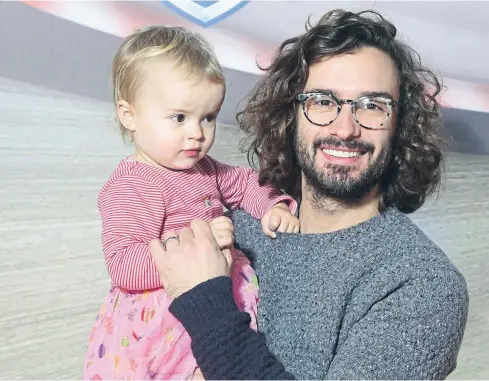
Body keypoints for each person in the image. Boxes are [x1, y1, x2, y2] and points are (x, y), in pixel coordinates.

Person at [148, 9, 470, 380]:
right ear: (292, 114)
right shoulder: (235, 224)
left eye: (373, 106)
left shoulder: (424, 285)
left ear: (400, 126)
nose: (345, 128)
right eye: (322, 101)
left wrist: (206, 301)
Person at [82, 26, 299, 380]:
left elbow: (246, 183)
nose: (197, 133)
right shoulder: (131, 186)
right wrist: (199, 243)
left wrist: (272, 207)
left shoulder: (205, 169)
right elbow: (123, 263)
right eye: (179, 118)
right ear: (129, 115)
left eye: (208, 117)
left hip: (216, 298)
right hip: (166, 311)